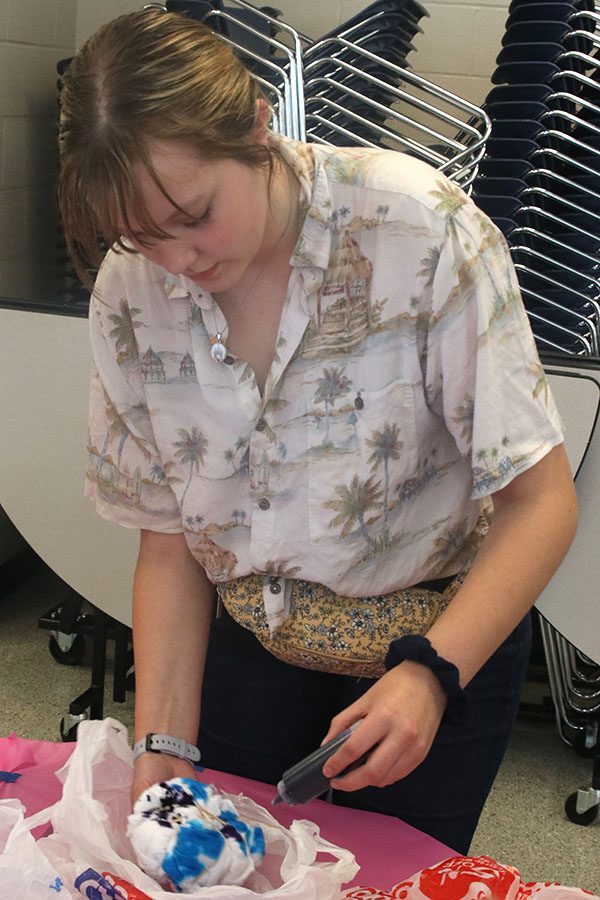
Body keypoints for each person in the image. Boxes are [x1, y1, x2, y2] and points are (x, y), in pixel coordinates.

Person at [57, 8, 577, 855]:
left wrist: (433, 674)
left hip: (432, 644)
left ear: (259, 127)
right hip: (247, 646)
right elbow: (168, 543)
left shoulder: (420, 230)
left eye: (194, 215)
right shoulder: (132, 287)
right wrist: (162, 745)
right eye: (142, 236)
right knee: (222, 869)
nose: (178, 262)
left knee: (393, 875)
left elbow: (540, 501)